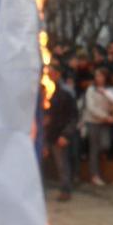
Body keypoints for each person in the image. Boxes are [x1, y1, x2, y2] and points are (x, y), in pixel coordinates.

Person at [45, 65, 78, 201]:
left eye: (51, 73)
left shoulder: (66, 92)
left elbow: (73, 116)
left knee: (62, 165)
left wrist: (66, 134)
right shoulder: (50, 90)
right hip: (50, 133)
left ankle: (66, 190)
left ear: (58, 74)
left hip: (60, 134)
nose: (48, 75)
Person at [84, 68, 113, 186]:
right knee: (94, 148)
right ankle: (94, 175)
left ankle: (101, 168)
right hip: (93, 121)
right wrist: (105, 116)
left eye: (101, 76)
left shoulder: (112, 89)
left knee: (105, 144)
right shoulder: (91, 89)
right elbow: (91, 107)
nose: (98, 78)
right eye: (97, 76)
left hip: (106, 122)